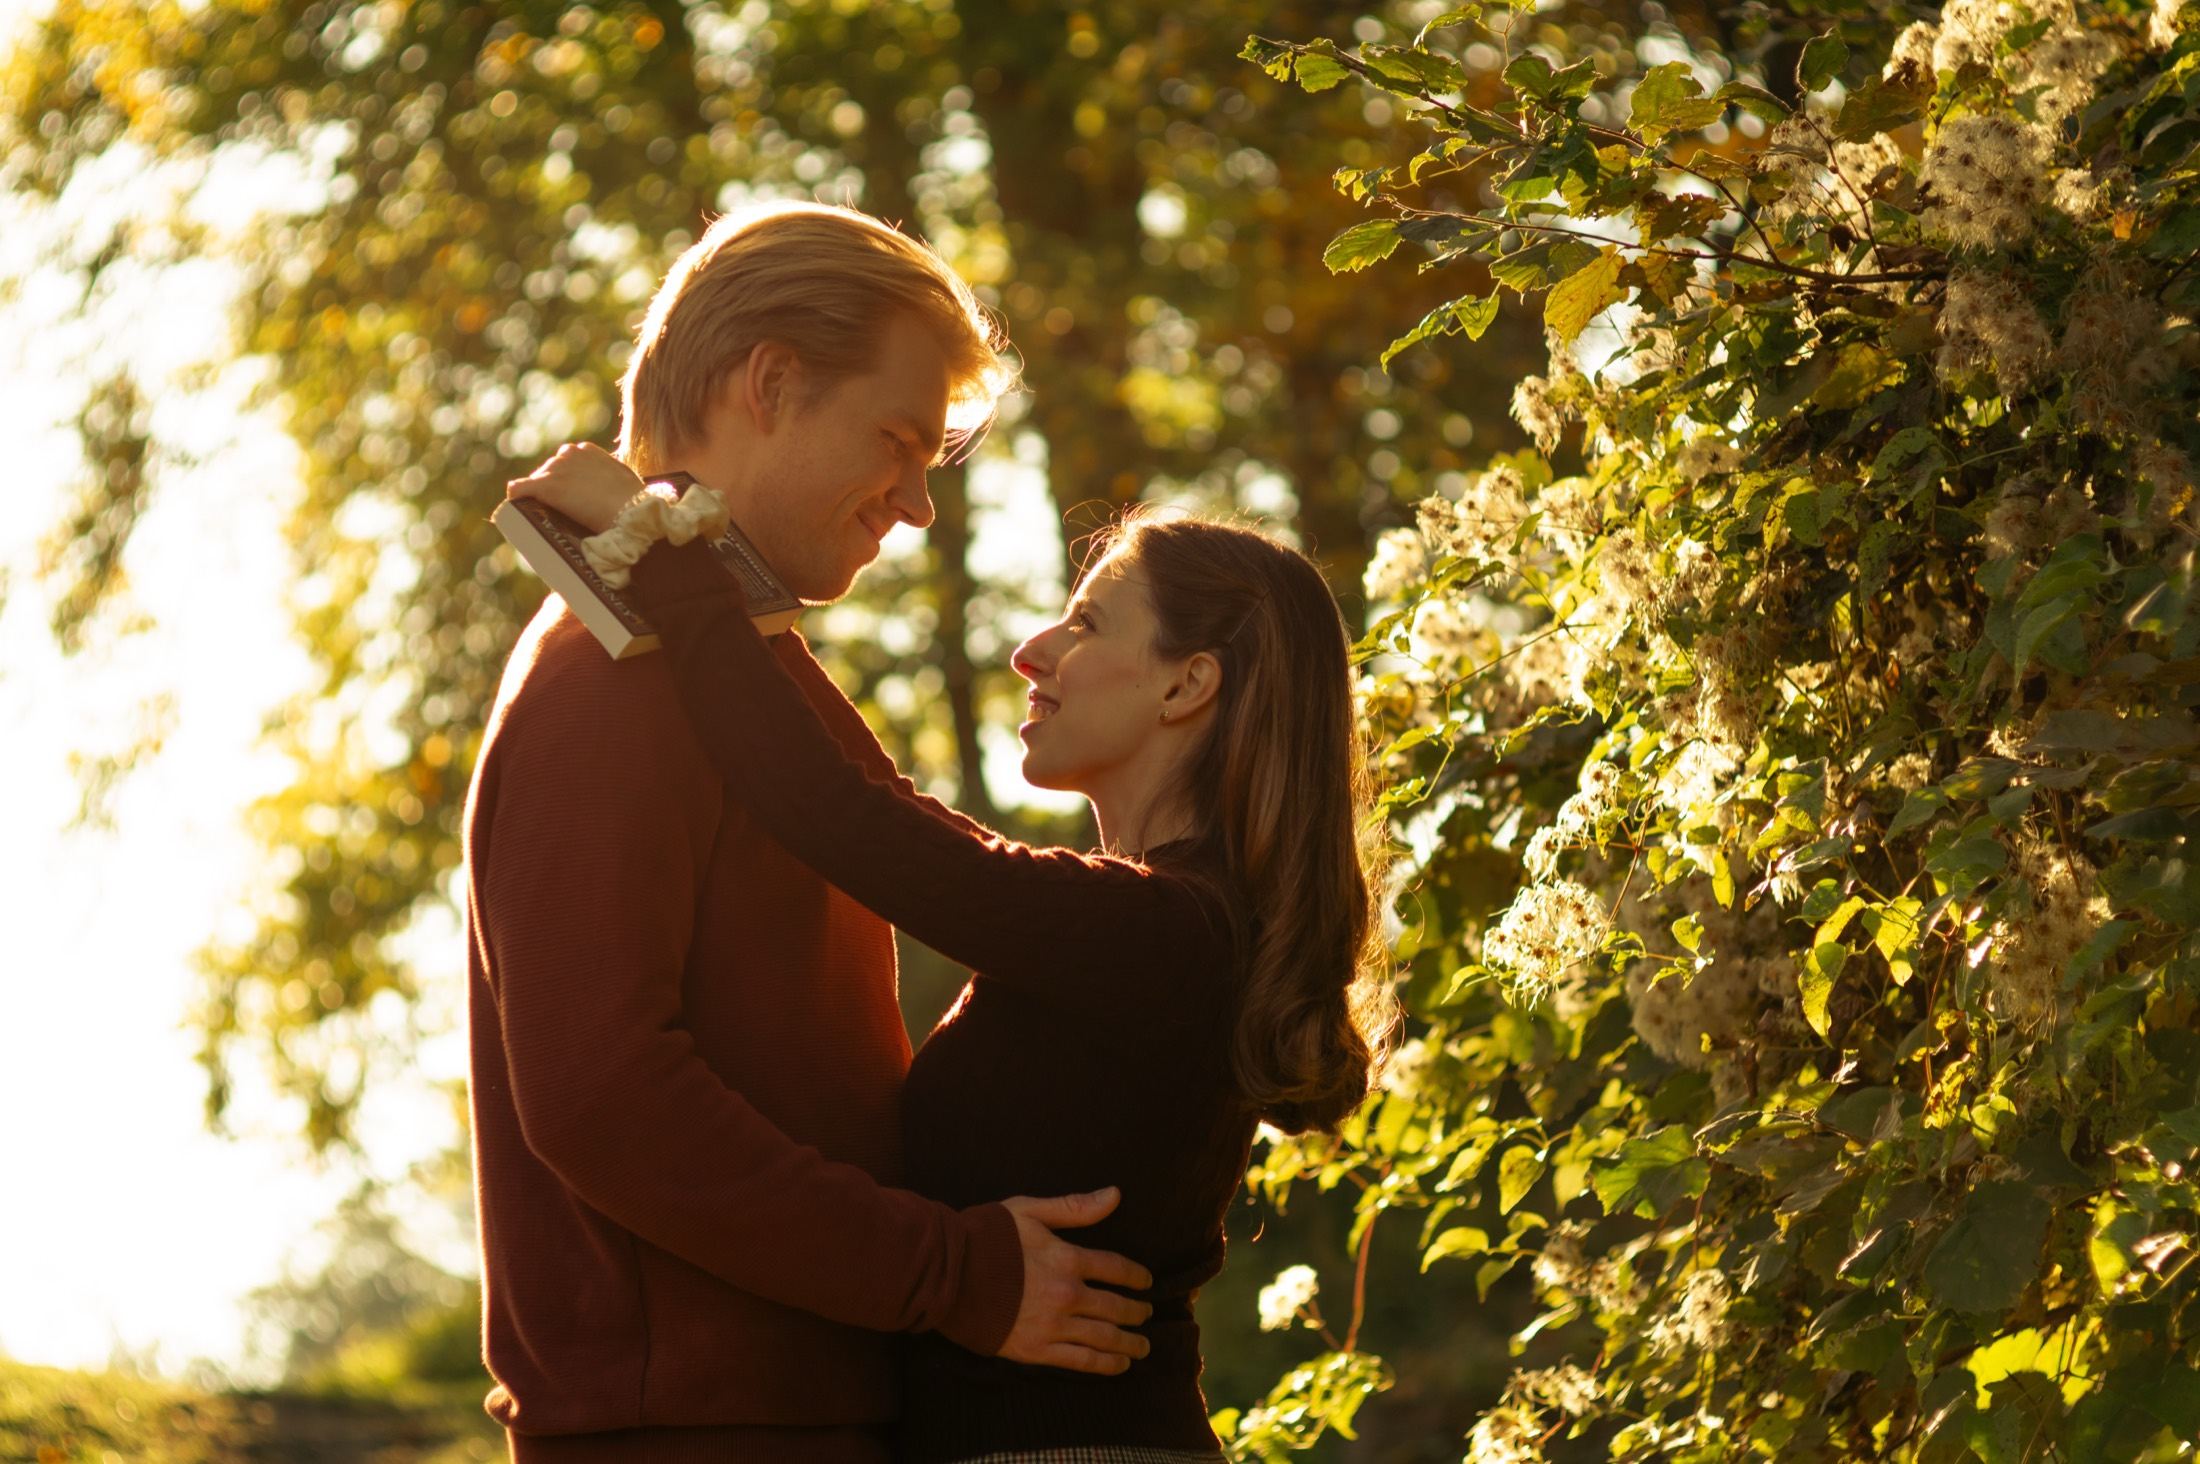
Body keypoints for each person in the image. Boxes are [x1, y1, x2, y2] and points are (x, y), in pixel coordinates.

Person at [504, 429, 1400, 1459]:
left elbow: (843, 815)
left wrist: (658, 548)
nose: (1032, 651)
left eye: (1087, 624)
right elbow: (880, 805)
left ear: (1185, 684)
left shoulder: (1165, 934)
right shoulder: (1154, 930)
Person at [462, 199, 1160, 1464]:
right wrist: (947, 1274)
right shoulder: (617, 676)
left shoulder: (727, 670)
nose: (915, 507)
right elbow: (600, 1093)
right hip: (694, 1433)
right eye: (895, 441)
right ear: (771, 383)